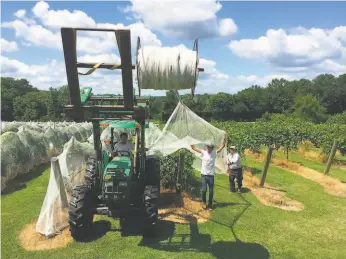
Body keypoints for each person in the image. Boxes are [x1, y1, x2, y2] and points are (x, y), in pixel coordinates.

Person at [191, 136, 226, 210]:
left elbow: (222, 146)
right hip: (204, 175)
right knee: (204, 190)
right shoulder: (204, 152)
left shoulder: (214, 152)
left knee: (211, 191)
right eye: (209, 147)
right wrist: (190, 140)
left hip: (211, 175)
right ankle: (203, 203)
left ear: (212, 148)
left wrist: (224, 137)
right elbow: (194, 148)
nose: (210, 149)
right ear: (207, 147)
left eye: (211, 147)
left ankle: (210, 205)